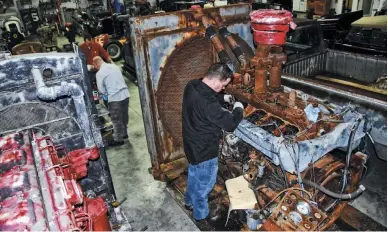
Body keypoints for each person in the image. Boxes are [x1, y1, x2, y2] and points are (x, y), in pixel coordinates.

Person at [182, 63, 244, 221]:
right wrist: (238, 107)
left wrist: (224, 98)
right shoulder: (209, 105)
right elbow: (230, 124)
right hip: (205, 151)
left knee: (194, 174)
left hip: (190, 144)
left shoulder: (192, 85)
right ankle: (200, 215)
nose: (224, 88)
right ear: (218, 80)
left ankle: (189, 201)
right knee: (205, 184)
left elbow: (208, 94)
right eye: (224, 85)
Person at [93, 56, 130, 146]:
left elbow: (101, 90)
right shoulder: (115, 66)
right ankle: (124, 134)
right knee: (124, 116)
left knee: (116, 119)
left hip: (114, 98)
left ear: (96, 64)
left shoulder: (100, 73)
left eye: (95, 66)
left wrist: (105, 95)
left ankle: (118, 139)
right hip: (125, 94)